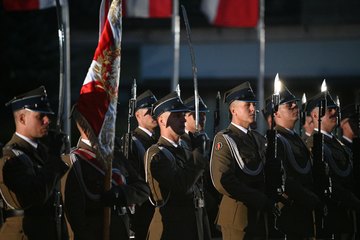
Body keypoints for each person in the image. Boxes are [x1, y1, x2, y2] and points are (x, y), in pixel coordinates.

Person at [64, 113, 150, 240]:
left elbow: (143, 189)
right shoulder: (73, 161)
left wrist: (120, 193)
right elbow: (74, 214)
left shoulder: (116, 155)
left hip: (122, 231)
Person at [0, 86, 70, 240]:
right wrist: (53, 157)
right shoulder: (10, 157)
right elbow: (34, 196)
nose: (47, 120)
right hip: (24, 234)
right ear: (22, 118)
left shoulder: (43, 152)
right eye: (40, 116)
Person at [210, 82, 272, 240]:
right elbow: (223, 181)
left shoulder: (258, 138)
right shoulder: (225, 139)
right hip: (238, 218)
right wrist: (257, 198)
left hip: (260, 217)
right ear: (233, 110)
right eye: (248, 105)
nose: (254, 109)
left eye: (254, 104)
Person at [144, 92, 211, 240]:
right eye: (177, 116)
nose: (183, 119)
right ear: (162, 120)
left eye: (183, 115)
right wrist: (199, 154)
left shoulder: (186, 149)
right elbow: (181, 186)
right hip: (171, 229)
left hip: (195, 225)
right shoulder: (157, 154)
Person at [306, 92, 360, 240]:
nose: (334, 112)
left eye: (334, 108)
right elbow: (325, 180)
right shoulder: (314, 144)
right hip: (333, 214)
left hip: (348, 215)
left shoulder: (337, 143)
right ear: (316, 116)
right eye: (328, 109)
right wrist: (352, 200)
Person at [270, 84, 320, 239]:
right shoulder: (276, 139)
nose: (294, 106)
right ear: (276, 113)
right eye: (288, 104)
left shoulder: (295, 139)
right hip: (289, 211)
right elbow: (284, 178)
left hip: (304, 211)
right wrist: (309, 198)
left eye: (295, 103)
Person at [182, 95, 221, 238]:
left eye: (204, 114)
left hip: (207, 207)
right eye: (198, 114)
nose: (203, 117)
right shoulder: (182, 142)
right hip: (192, 207)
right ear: (185, 116)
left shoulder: (206, 140)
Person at [126, 89, 158, 240]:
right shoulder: (132, 142)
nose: (154, 115)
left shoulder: (157, 141)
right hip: (142, 209)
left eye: (155, 110)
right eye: (149, 112)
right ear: (138, 115)